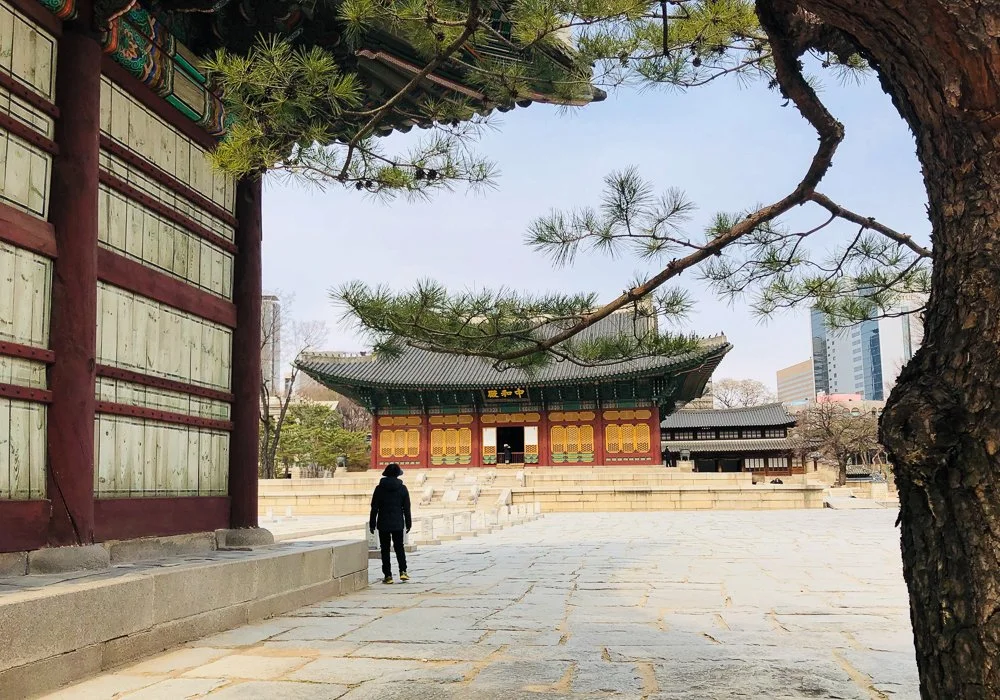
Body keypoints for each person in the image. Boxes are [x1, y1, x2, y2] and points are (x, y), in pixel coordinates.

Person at [369, 463, 412, 584]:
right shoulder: (403, 488)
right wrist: (408, 523)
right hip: (398, 522)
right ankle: (403, 571)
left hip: (383, 522)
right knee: (399, 547)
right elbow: (406, 508)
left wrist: (372, 524)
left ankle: (388, 575)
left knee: (385, 549)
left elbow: (374, 507)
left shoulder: (379, 488)